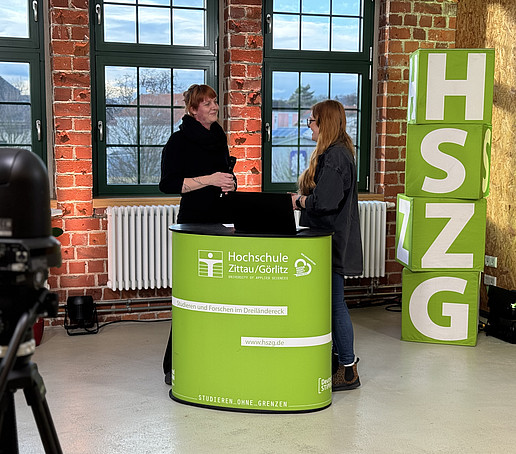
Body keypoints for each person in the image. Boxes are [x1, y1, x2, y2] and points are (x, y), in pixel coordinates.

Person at [159, 84, 236, 385]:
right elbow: (168, 184)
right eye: (207, 103)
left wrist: (231, 183)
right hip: (192, 223)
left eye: (215, 101)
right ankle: (173, 364)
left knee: (221, 295)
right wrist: (210, 179)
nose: (214, 107)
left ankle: (215, 352)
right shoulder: (178, 142)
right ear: (193, 110)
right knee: (190, 297)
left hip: (222, 221)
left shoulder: (219, 137)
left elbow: (224, 175)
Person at [291, 99, 363, 391]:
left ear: (324, 124)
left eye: (312, 120)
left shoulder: (335, 157)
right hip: (329, 240)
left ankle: (348, 369)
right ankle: (340, 361)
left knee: (335, 305)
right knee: (332, 304)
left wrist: (298, 201)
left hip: (329, 243)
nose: (309, 125)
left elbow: (325, 202)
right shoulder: (339, 153)